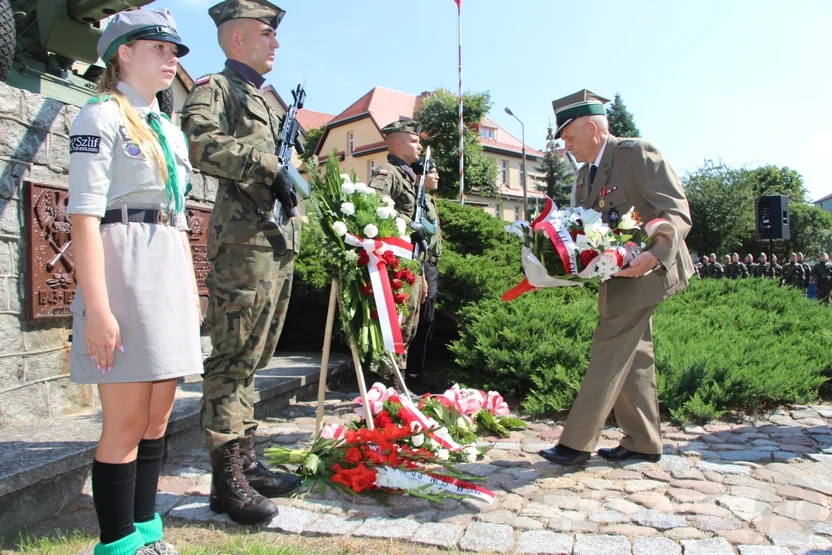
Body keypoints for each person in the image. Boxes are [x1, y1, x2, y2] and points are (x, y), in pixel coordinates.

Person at [68, 9, 201, 555]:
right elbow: (82, 216)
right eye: (160, 49)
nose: (172, 60)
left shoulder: (168, 129)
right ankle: (117, 545)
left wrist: (191, 291)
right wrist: (98, 309)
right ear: (123, 51)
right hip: (123, 262)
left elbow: (180, 215)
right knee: (124, 420)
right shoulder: (98, 118)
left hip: (166, 263)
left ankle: (147, 531)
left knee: (157, 415)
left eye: (176, 53)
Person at [180, 0, 301, 525]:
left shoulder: (271, 101)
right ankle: (224, 480)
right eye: (266, 34)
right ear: (236, 39)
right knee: (231, 359)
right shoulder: (216, 89)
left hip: (275, 242)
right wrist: (267, 163)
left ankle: (246, 464)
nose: (275, 43)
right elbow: (202, 144)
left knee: (254, 358)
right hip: (242, 245)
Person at [539, 90, 693, 466]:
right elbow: (583, 228)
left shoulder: (636, 154)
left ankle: (576, 443)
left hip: (648, 270)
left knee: (608, 348)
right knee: (634, 355)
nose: (567, 145)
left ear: (592, 128)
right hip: (616, 275)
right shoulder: (582, 176)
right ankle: (643, 440)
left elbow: (675, 210)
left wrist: (655, 253)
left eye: (570, 137)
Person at [367, 119, 429, 383]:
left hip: (410, 262)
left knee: (408, 329)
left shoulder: (408, 176)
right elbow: (373, 210)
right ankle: (385, 389)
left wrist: (422, 273)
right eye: (414, 141)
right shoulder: (387, 172)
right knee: (395, 327)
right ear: (398, 143)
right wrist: (406, 223)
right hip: (394, 265)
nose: (420, 146)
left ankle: (396, 386)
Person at [406, 158, 442, 394]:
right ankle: (410, 376)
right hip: (423, 265)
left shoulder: (428, 199)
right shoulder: (417, 201)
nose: (437, 175)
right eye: (432, 172)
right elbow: (415, 235)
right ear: (420, 176)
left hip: (433, 265)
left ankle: (416, 373)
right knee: (419, 322)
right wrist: (420, 272)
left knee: (427, 321)